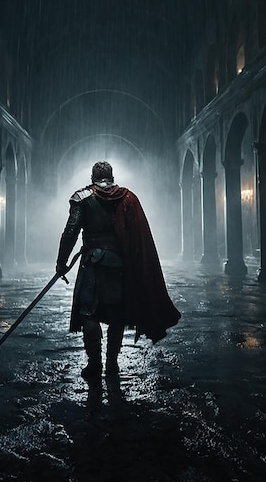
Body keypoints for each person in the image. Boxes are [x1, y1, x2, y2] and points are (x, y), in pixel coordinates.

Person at [56, 161, 181, 379]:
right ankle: (111, 364)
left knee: (88, 312)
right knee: (116, 315)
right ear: (112, 176)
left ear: (92, 176)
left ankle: (95, 364)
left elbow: (70, 232)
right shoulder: (127, 198)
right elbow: (136, 237)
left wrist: (61, 262)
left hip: (93, 263)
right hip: (119, 264)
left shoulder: (83, 198)